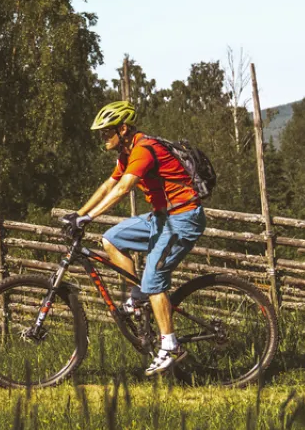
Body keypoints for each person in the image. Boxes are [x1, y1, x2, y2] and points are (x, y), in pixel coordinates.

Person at [72, 100, 208, 376]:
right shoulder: (127, 152)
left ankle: (170, 346)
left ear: (123, 129)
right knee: (111, 239)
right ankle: (138, 298)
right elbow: (109, 184)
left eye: (107, 131)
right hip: (162, 217)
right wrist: (79, 213)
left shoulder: (144, 150)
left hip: (182, 219)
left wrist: (90, 217)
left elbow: (123, 189)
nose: (103, 137)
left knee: (154, 280)